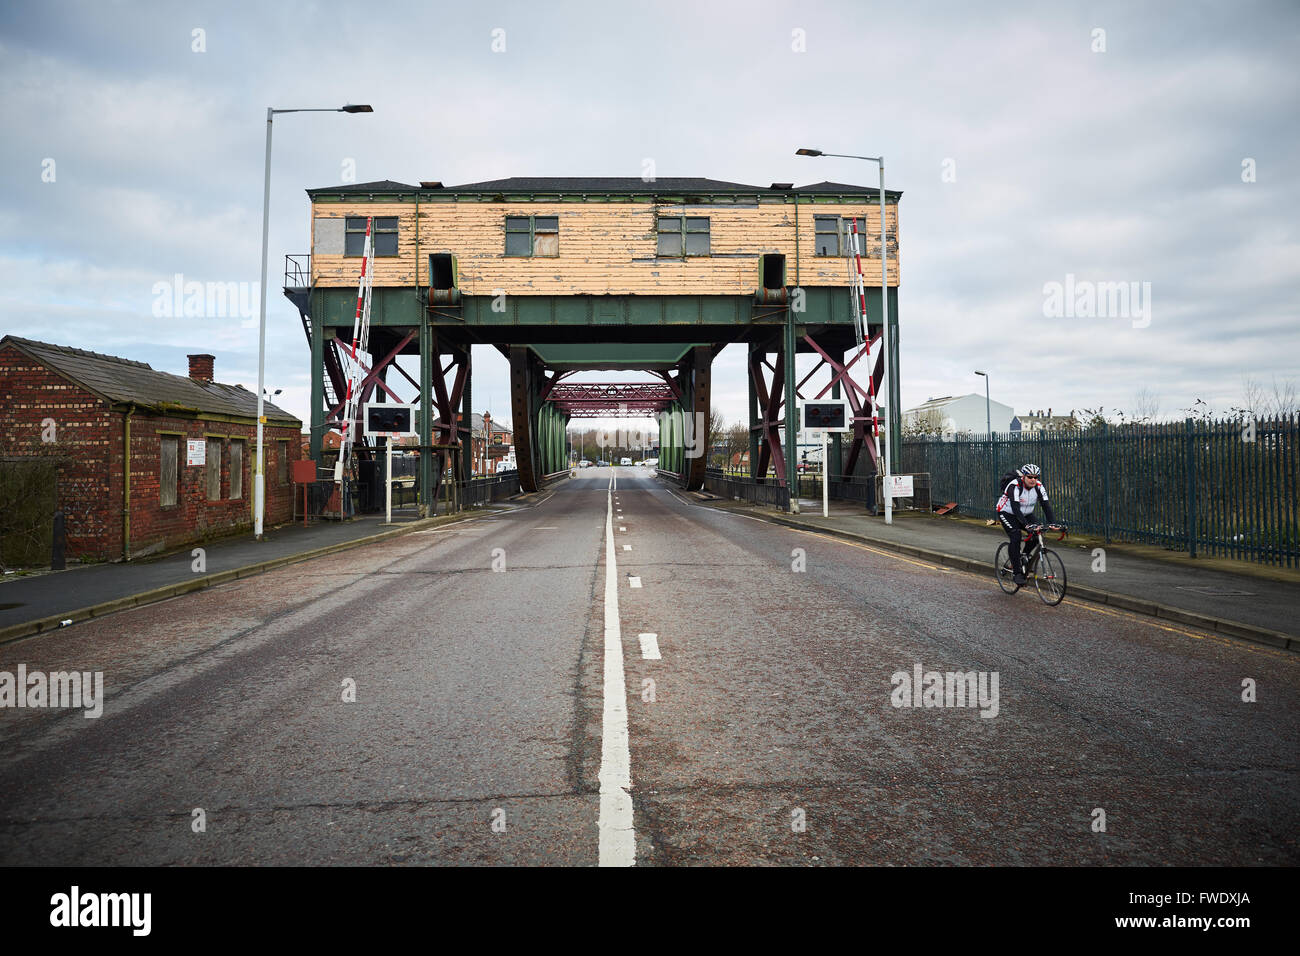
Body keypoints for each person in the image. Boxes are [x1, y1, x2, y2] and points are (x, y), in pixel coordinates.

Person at [997, 464, 1061, 585]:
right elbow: (1015, 508)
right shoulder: (1014, 486)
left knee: (1037, 534)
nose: (1033, 480)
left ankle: (1024, 556)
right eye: (1030, 477)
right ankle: (1017, 573)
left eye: (1036, 477)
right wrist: (1026, 525)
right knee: (1015, 537)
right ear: (1024, 477)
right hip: (1007, 513)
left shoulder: (1039, 486)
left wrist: (1053, 523)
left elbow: (1046, 505)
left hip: (1026, 514)